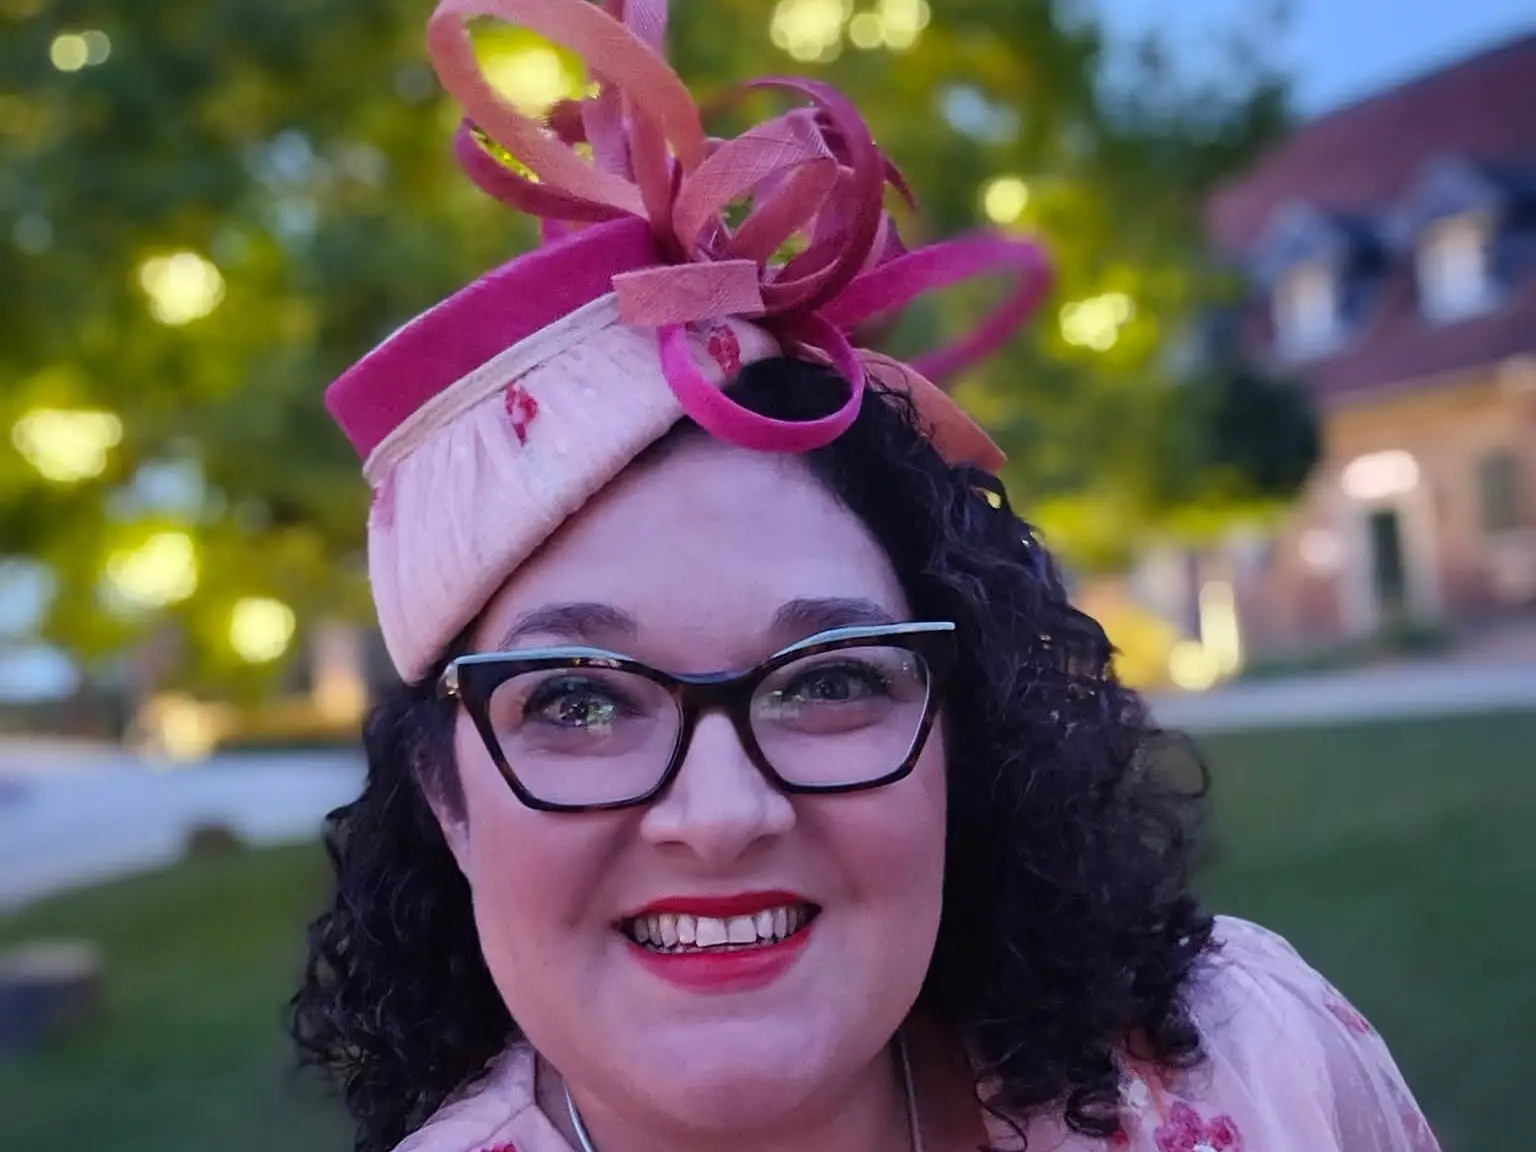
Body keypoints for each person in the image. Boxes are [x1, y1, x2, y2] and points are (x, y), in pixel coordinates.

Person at [291, 2, 1443, 1150]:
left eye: (831, 680)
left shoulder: (1254, 1060)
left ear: (958, 736)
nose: (724, 815)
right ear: (448, 800)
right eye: (577, 701)